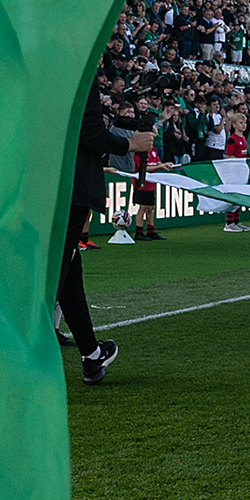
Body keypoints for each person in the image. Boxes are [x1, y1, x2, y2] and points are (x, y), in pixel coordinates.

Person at [64, 79, 153, 384]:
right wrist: (131, 143)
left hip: (43, 180)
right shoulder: (78, 66)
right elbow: (90, 135)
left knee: (69, 272)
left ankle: (91, 355)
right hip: (71, 185)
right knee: (57, 274)